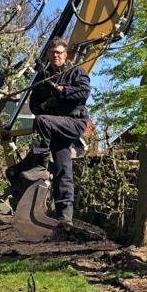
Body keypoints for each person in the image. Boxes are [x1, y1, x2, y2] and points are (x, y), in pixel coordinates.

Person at [30, 37, 90, 223]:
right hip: (55, 128)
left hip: (73, 123)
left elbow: (83, 92)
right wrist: (46, 105)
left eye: (59, 52)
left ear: (66, 55)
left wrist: (61, 91)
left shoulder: (76, 72)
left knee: (41, 121)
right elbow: (34, 105)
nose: (55, 55)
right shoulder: (42, 78)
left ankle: (39, 164)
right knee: (63, 169)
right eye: (52, 52)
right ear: (48, 55)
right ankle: (65, 218)